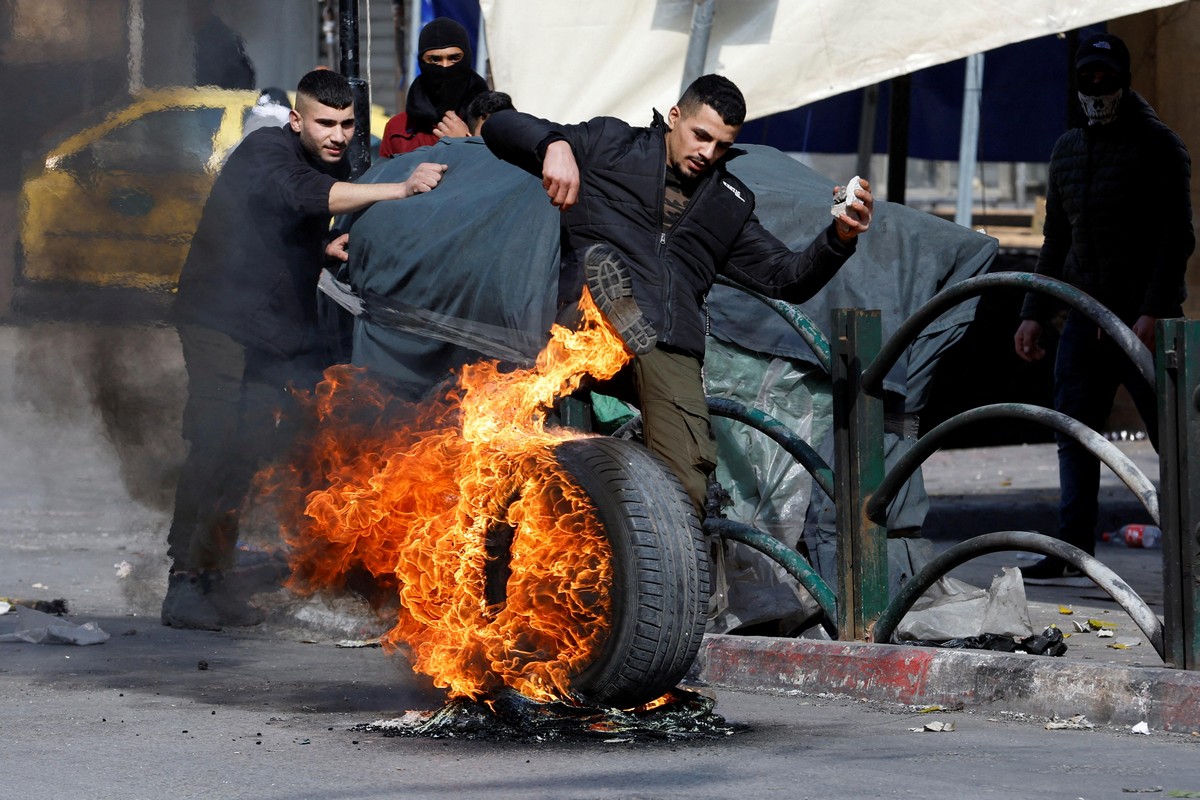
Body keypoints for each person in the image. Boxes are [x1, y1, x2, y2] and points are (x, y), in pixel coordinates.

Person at [482, 74, 872, 516]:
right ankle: (616, 306)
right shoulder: (609, 144)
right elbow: (499, 126)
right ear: (674, 118)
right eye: (700, 136)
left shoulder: (730, 202)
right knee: (597, 300)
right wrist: (554, 146)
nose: (708, 153)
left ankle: (670, 567)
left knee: (687, 488)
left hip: (665, 344)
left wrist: (839, 237)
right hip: (584, 323)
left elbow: (787, 278)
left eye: (722, 145)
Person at [164, 69, 447, 630]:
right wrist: (400, 187)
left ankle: (214, 576)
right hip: (218, 319)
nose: (338, 135)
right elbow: (299, 194)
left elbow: (283, 226)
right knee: (216, 441)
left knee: (246, 451)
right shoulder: (266, 149)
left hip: (272, 331)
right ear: (298, 120)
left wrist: (324, 245)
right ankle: (184, 583)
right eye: (325, 123)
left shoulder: (331, 163)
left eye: (347, 124)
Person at [1013, 33, 1194, 584]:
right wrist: (1034, 313)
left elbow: (1176, 238)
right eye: (1086, 76)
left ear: (1124, 77)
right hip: (1083, 318)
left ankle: (1196, 547)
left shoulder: (1159, 145)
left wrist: (1153, 309)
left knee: (1178, 438)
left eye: (1104, 76)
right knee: (1073, 432)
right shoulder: (1068, 149)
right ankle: (1073, 551)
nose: (1095, 86)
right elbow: (1055, 240)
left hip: (1146, 324)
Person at [379, 16, 489, 157]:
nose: (444, 67)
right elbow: (385, 176)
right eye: (434, 60)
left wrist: (465, 144)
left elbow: (506, 174)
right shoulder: (398, 129)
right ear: (422, 62)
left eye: (454, 58)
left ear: (467, 58)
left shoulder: (492, 119)